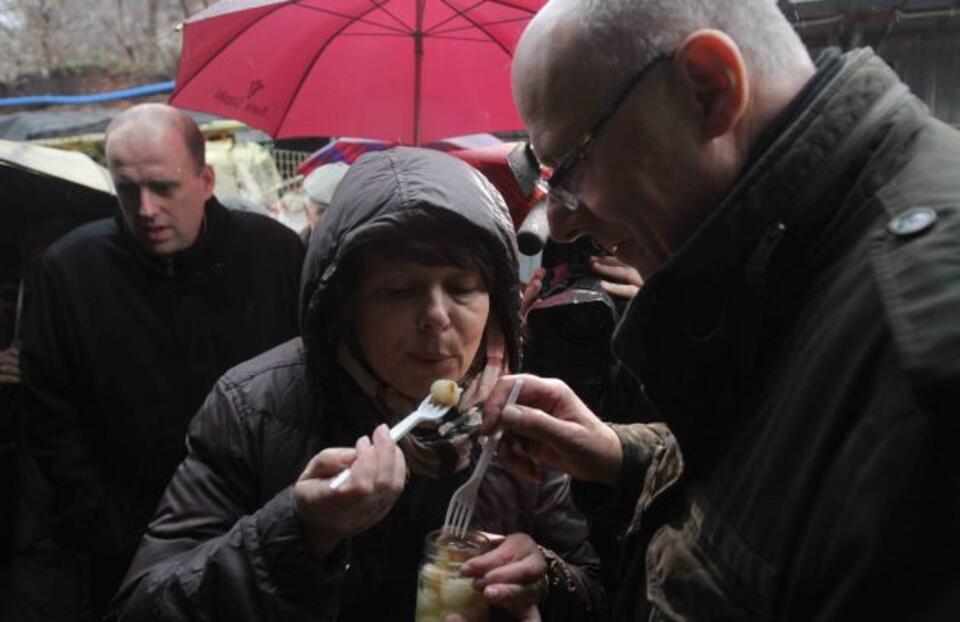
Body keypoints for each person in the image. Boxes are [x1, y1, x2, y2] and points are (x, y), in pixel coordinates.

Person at [480, 0, 960, 620]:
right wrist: (622, 458)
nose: (564, 224)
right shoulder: (798, 264)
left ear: (707, 89)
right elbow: (794, 476)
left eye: (572, 166)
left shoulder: (928, 365)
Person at [107, 147, 604, 622]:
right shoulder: (252, 408)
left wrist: (546, 578)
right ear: (344, 304)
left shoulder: (518, 416)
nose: (435, 317)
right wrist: (299, 533)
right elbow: (142, 607)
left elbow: (597, 590)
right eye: (399, 290)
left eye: (462, 288)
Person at [9, 103, 305, 621]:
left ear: (206, 179)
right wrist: (101, 524)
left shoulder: (275, 256)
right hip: (123, 543)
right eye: (127, 190)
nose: (145, 209)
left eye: (163, 188)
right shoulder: (71, 272)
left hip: (263, 525)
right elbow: (51, 416)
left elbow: (312, 375)